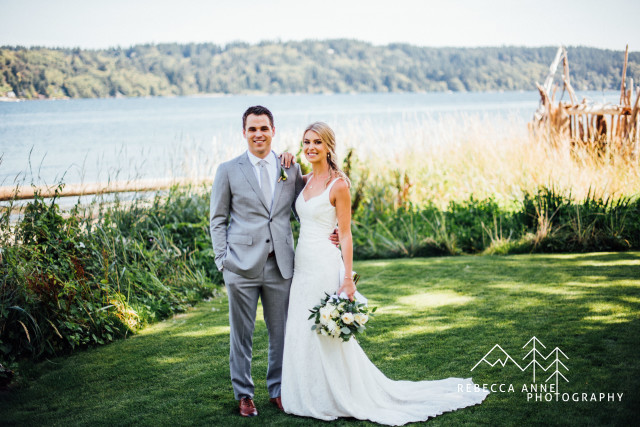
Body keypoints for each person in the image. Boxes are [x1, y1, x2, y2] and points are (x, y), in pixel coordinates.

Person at [280, 122, 489, 425]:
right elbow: (284, 182)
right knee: (302, 328)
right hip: (303, 266)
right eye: (306, 142)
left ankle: (336, 394)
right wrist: (286, 156)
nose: (310, 148)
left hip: (325, 263)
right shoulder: (306, 179)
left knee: (326, 333)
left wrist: (348, 279)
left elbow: (347, 234)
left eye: (317, 143)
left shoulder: (338, 184)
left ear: (328, 147)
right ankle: (305, 393)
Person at [210, 106, 338, 418]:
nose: (258, 134)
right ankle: (244, 394)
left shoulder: (290, 168)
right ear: (244, 133)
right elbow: (217, 219)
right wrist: (222, 261)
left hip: (281, 265)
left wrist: (330, 230)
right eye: (252, 129)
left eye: (263, 128)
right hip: (240, 267)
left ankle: (278, 390)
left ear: (273, 131)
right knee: (241, 335)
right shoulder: (227, 170)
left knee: (281, 332)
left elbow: (306, 206)